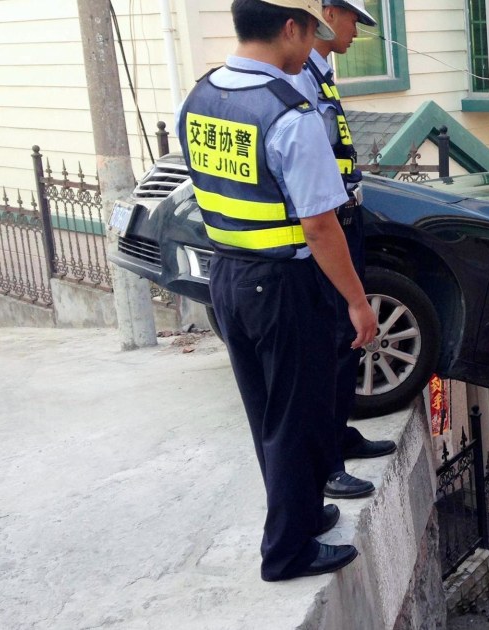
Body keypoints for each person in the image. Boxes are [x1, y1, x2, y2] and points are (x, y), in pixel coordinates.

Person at [176, 0, 377, 581]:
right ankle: (287, 551)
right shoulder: (289, 114)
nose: (313, 42)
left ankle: (302, 515)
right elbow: (321, 224)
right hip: (284, 284)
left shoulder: (203, 96)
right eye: (311, 29)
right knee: (298, 414)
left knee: (267, 409)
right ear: (290, 27)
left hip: (229, 274)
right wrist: (358, 302)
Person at [290, 0, 397, 503]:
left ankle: (340, 434)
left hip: (345, 213)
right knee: (335, 341)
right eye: (354, 19)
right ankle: (328, 462)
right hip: (323, 225)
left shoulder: (320, 69)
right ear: (328, 13)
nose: (357, 32)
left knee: (348, 342)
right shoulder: (298, 76)